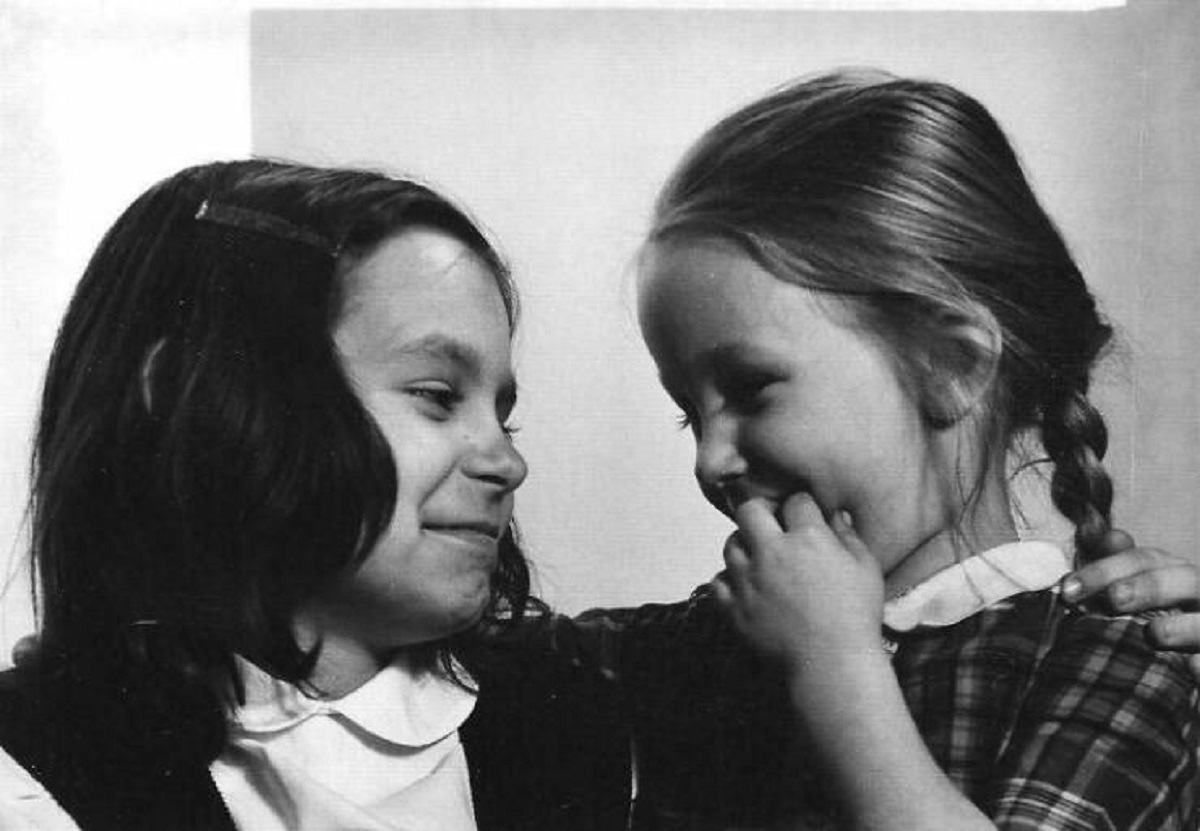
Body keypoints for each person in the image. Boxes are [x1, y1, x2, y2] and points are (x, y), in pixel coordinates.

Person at [621, 68, 1199, 828]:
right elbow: (492, 657)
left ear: (951, 367)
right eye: (689, 414)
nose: (710, 459)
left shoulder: (1114, 655)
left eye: (753, 387)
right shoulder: (724, 633)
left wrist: (836, 668)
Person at [0, 160, 631, 830]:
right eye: (438, 397)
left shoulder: (577, 717)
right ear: (196, 396)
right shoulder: (31, 776)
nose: (508, 461)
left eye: (504, 414)